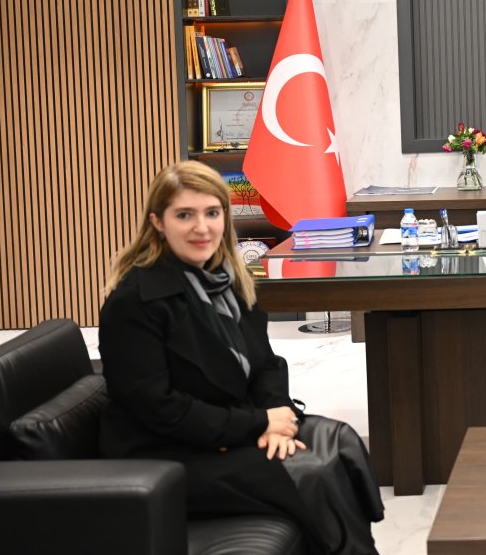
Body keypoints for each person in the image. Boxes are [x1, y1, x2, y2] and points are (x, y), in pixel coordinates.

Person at [98, 161, 384, 555]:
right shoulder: (134, 301)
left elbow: (265, 363)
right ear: (158, 222)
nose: (202, 227)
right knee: (311, 474)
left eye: (212, 213)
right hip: (165, 454)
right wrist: (256, 425)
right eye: (185, 215)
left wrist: (276, 418)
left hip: (228, 426)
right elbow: (159, 408)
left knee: (341, 441)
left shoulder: (227, 280)